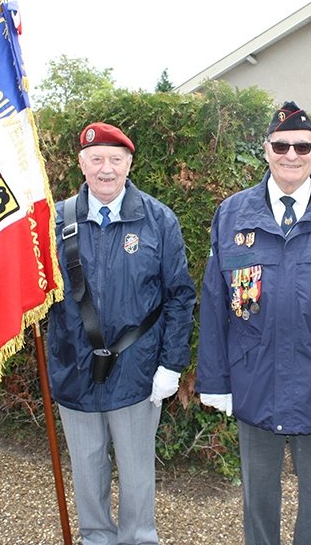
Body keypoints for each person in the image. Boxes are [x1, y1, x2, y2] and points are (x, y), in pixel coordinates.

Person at [196, 101, 311, 545]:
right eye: (281, 145)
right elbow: (216, 301)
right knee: (258, 496)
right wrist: (215, 380)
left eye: (301, 145)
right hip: (253, 376)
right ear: (266, 149)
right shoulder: (234, 214)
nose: (291, 154)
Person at [47, 121, 196, 545]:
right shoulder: (55, 221)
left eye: (115, 159)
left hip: (137, 371)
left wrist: (171, 363)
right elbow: (36, 292)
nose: (106, 169)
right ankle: (96, 538)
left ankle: (139, 539)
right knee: (87, 469)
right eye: (96, 159)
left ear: (130, 164)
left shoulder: (158, 220)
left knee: (135, 472)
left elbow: (179, 297)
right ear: (82, 164)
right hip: (74, 367)